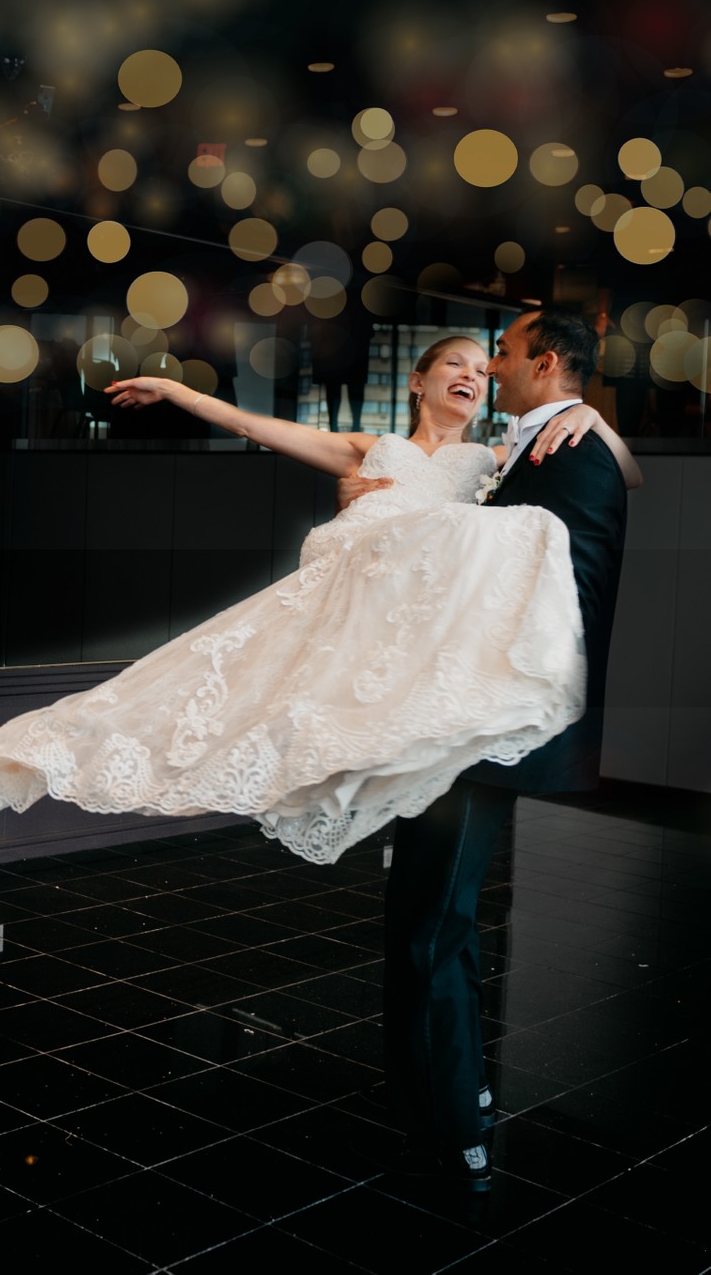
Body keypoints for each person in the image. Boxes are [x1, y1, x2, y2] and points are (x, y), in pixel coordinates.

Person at [0, 329, 638, 878]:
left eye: (484, 371)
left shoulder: (494, 464)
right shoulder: (374, 448)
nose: (474, 377)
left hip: (415, 648)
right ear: (419, 380)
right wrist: (178, 394)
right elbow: (258, 429)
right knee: (205, 687)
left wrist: (596, 422)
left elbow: (595, 487)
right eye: (457, 364)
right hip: (343, 614)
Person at [368, 309, 633, 1194]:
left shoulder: (576, 450)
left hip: (491, 728)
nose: (492, 367)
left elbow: (572, 586)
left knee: (429, 931)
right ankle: (450, 1093)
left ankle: (454, 1130)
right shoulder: (529, 447)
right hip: (458, 722)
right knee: (434, 923)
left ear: (545, 363)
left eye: (506, 355)